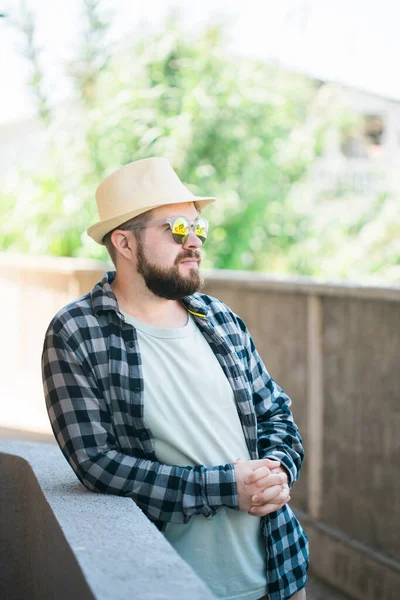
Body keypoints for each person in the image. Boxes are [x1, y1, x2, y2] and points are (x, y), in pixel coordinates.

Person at [42, 157, 308, 600]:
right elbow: (97, 463)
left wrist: (278, 470)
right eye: (176, 229)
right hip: (170, 583)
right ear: (125, 244)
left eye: (197, 228)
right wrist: (225, 487)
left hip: (280, 570)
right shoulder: (75, 332)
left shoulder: (220, 319)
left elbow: (277, 413)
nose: (195, 242)